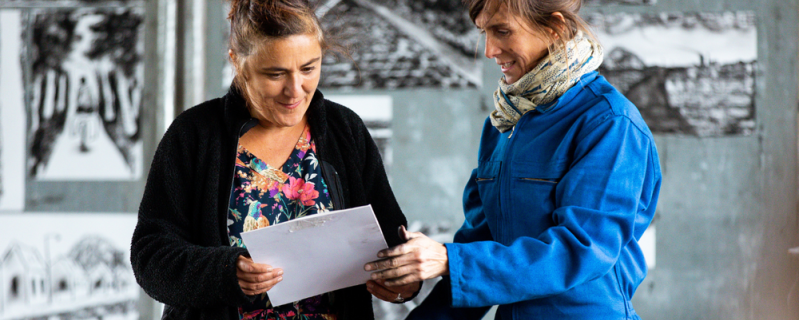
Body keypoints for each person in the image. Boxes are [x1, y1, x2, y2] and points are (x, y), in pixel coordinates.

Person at [364, 0, 662, 319]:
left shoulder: (609, 122)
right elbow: (483, 242)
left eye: (502, 31)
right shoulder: (503, 124)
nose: (489, 50)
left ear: (555, 28)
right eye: (484, 33)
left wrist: (449, 261)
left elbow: (582, 250)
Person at [130, 0, 419, 318]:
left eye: (309, 68)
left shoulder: (345, 130)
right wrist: (226, 271)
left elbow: (391, 237)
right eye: (275, 74)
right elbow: (151, 257)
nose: (295, 91)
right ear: (238, 63)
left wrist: (404, 282)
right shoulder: (194, 135)